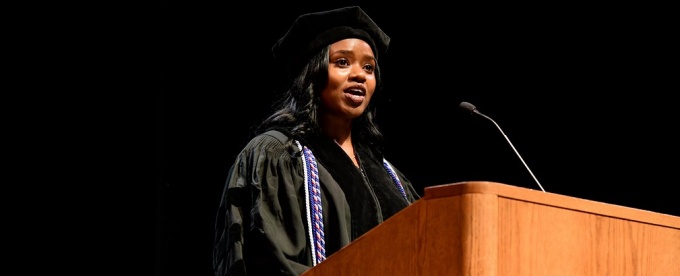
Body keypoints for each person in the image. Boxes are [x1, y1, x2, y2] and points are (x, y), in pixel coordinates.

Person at [213, 6, 421, 276]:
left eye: (368, 67)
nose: (360, 75)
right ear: (313, 73)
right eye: (343, 62)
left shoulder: (387, 173)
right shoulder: (277, 156)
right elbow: (269, 261)